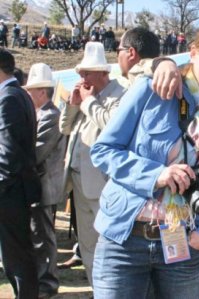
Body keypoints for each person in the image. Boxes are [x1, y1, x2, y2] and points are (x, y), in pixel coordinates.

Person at [89, 19, 199, 298]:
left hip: (187, 246)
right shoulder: (153, 89)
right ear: (193, 53)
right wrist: (155, 175)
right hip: (126, 240)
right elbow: (104, 150)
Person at [59, 41, 126, 286]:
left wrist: (88, 103)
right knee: (87, 245)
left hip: (102, 186)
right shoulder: (85, 96)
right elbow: (64, 128)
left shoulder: (120, 94)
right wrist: (74, 104)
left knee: (106, 247)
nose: (82, 77)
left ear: (103, 73)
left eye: (86, 72)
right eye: (80, 73)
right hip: (78, 181)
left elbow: (113, 128)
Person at [0, 48, 41, 299]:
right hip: (16, 190)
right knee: (17, 255)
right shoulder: (18, 94)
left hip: (10, 192)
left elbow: (8, 154)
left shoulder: (9, 98)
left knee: (16, 257)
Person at [24, 63, 67, 298]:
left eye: (31, 90)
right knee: (38, 234)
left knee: (44, 236)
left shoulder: (51, 116)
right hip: (39, 185)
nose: (28, 94)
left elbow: (37, 152)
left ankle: (48, 283)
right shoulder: (42, 114)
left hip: (45, 186)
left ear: (42, 91)